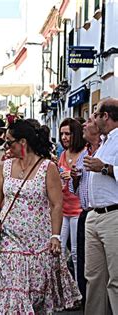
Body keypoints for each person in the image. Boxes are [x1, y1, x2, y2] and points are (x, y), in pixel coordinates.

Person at [0, 120, 81, 313]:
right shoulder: (6, 167)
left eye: (9, 142)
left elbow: (56, 204)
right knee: (10, 294)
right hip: (10, 241)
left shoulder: (47, 167)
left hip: (39, 244)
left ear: (23, 142)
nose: (6, 147)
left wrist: (55, 236)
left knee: (33, 297)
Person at [83, 99, 118, 314]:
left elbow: (107, 170)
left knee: (116, 279)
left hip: (113, 214)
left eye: (96, 114)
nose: (94, 119)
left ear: (106, 116)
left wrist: (104, 168)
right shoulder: (105, 142)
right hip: (95, 214)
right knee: (94, 278)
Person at [69, 116, 101, 306]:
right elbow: (77, 187)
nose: (83, 125)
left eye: (88, 121)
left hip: (102, 212)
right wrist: (74, 178)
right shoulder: (84, 153)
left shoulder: (106, 150)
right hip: (85, 212)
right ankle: (84, 298)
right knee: (82, 262)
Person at [58, 118, 86, 282]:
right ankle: (63, 289)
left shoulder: (84, 154)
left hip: (77, 209)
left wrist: (73, 176)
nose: (64, 137)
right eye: (62, 134)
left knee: (75, 252)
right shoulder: (63, 154)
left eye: (67, 133)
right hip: (63, 208)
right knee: (59, 250)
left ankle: (77, 288)